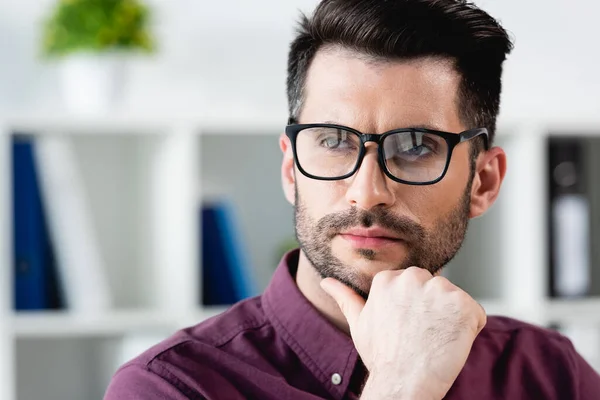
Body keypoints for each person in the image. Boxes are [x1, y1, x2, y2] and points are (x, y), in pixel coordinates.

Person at [105, 0, 600, 399]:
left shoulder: (554, 376)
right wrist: (402, 388)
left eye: (416, 147)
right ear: (291, 167)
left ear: (484, 182)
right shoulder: (170, 387)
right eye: (334, 141)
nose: (367, 191)